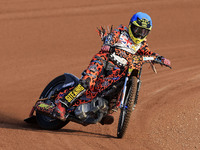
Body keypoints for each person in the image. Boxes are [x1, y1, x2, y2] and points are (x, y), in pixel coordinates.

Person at [53, 12, 171, 124]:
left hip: (118, 69)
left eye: (144, 32)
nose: (140, 34)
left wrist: (160, 59)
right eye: (138, 30)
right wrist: (108, 45)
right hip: (104, 60)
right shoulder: (121, 31)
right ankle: (63, 104)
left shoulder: (141, 44)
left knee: (116, 87)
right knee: (87, 82)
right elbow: (111, 38)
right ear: (131, 26)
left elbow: (148, 53)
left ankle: (103, 111)